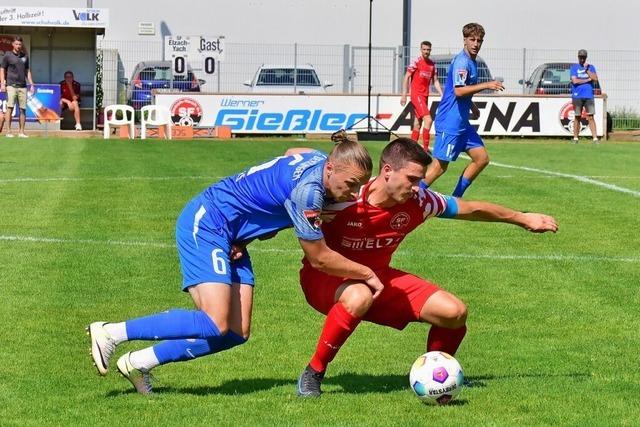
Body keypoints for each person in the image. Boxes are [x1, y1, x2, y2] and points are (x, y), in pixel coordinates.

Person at [88, 137, 385, 395]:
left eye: (358, 186)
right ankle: (112, 332)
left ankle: (140, 363)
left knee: (235, 332)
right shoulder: (309, 192)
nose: (353, 194)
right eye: (350, 185)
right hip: (208, 223)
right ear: (330, 169)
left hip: (232, 238)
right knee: (214, 321)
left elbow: (291, 151)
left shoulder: (317, 158)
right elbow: (319, 257)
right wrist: (367, 273)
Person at [294, 137, 558, 397]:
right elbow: (296, 159)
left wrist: (521, 218)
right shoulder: (345, 194)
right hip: (324, 279)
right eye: (411, 179)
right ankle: (314, 372)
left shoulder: (420, 202)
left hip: (379, 279)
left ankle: (435, 376)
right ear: (387, 171)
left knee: (454, 312)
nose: (416, 186)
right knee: (358, 294)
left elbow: (471, 209)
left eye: (419, 179)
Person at [423, 23, 504, 198]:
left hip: (462, 122)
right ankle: (413, 194)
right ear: (464, 40)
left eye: (479, 40)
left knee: (481, 158)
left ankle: (455, 198)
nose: (476, 44)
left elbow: (458, 90)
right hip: (450, 122)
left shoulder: (472, 61)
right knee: (439, 168)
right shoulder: (462, 62)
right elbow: (459, 91)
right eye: (472, 39)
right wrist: (488, 84)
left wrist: (472, 106)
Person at [400, 41, 443, 152]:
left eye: (428, 50)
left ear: (430, 50)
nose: (426, 52)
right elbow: (406, 77)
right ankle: (425, 149)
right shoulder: (416, 61)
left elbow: (436, 81)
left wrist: (442, 94)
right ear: (421, 49)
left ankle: (411, 150)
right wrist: (404, 94)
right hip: (416, 95)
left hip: (425, 96)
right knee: (428, 120)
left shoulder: (432, 65)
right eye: (424, 49)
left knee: (417, 124)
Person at [0, 36, 35, 138]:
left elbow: (27, 71)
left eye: (20, 44)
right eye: (16, 44)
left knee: (23, 109)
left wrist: (32, 84)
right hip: (11, 85)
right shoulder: (7, 55)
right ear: (13, 44)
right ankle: (8, 131)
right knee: (9, 107)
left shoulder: (25, 57)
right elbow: (2, 69)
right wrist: (2, 83)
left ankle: (21, 132)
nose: (18, 46)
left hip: (23, 86)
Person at [570, 49, 599, 143]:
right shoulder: (574, 68)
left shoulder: (591, 67)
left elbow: (595, 78)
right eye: (580, 57)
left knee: (591, 117)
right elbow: (575, 81)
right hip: (577, 95)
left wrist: (587, 70)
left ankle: (595, 138)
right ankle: (575, 138)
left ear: (586, 58)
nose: (582, 59)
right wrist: (587, 80)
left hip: (589, 95)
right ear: (578, 57)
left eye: (583, 57)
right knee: (577, 116)